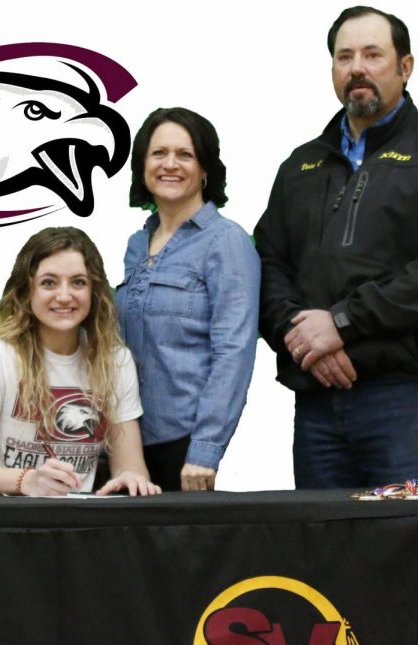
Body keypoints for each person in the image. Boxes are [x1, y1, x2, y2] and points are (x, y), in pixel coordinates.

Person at [254, 6, 418, 489]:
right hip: (317, 404)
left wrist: (341, 323)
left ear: (406, 66)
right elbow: (266, 264)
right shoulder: (301, 166)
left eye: (372, 54)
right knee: (320, 559)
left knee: (407, 553)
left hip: (409, 399)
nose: (357, 67)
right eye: (344, 57)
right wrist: (304, 341)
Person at [0, 227, 160, 497]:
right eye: (49, 282)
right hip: (2, 522)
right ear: (27, 290)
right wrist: (27, 480)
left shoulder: (115, 360)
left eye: (78, 282)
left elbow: (130, 465)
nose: (65, 296)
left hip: (76, 524)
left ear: (94, 291)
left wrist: (131, 478)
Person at [115, 108, 261, 492]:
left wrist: (205, 450)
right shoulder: (135, 244)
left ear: (206, 168)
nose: (170, 164)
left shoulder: (226, 242)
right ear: (142, 165)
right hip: (127, 442)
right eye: (158, 153)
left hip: (184, 446)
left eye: (185, 154)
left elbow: (234, 352)